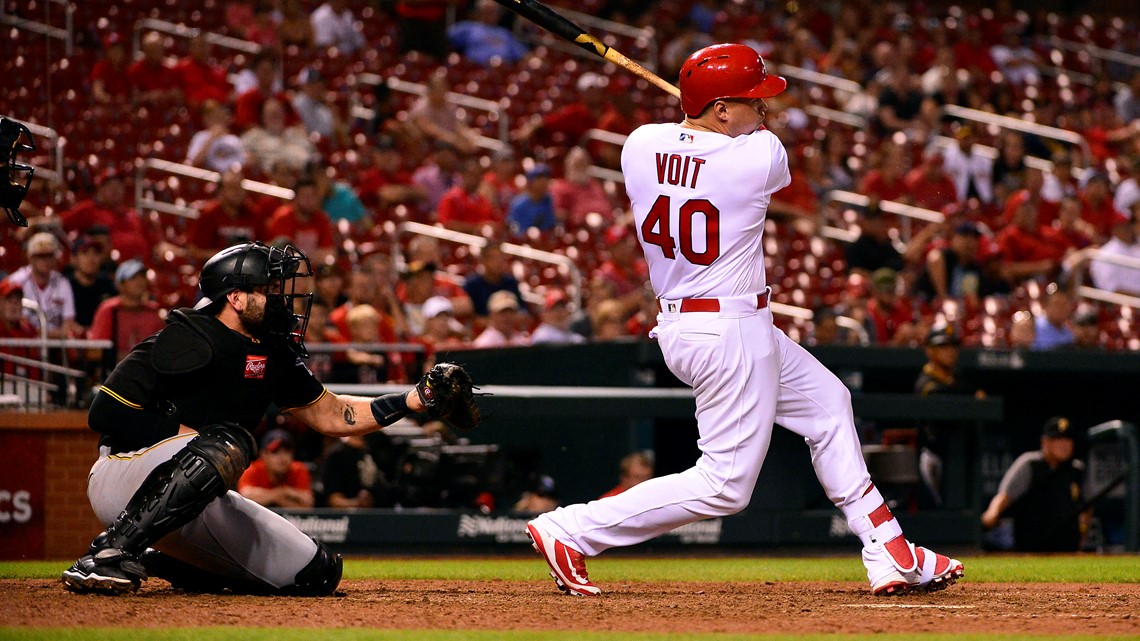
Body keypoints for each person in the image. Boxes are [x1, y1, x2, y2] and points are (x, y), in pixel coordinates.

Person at [524, 44, 963, 598]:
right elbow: (742, 145)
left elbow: (681, 137)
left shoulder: (639, 146)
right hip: (728, 331)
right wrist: (714, 121)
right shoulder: (758, 157)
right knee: (726, 487)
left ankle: (889, 551)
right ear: (722, 110)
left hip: (697, 324)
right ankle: (572, 529)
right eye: (754, 102)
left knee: (829, 404)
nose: (766, 112)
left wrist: (705, 114)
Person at [60, 241, 477, 595]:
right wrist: (183, 434)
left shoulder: (272, 352)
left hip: (197, 494)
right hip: (125, 477)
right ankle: (106, 553)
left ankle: (168, 559)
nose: (281, 298)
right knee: (228, 441)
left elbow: (333, 415)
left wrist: (413, 399)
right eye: (270, 289)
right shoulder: (186, 335)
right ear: (236, 297)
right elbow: (104, 412)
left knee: (317, 573)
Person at [981, 417, 1087, 551]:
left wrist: (1082, 536)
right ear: (1045, 441)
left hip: (1067, 545)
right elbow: (1005, 496)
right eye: (1058, 440)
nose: (1064, 445)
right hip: (1032, 545)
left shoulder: (1077, 469)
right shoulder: (1030, 464)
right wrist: (992, 513)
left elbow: (1086, 507)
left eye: (1068, 440)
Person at [913, 322, 984, 507]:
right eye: (943, 346)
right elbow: (939, 392)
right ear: (930, 351)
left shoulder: (958, 377)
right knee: (938, 508)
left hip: (961, 455)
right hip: (934, 455)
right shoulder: (926, 381)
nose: (950, 351)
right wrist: (971, 395)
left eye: (953, 346)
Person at [87, 260, 166, 363]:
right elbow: (94, 351)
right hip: (116, 371)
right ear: (121, 284)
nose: (140, 281)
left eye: (142, 276)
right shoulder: (109, 310)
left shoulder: (153, 311)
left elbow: (163, 348)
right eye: (133, 278)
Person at [7, 232, 83, 338]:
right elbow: (10, 320)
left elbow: (68, 321)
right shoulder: (16, 281)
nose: (46, 261)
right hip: (25, 340)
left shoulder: (62, 283)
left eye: (50, 256)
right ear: (30, 258)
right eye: (41, 256)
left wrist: (56, 335)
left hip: (57, 344)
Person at [237, 428, 314, 508]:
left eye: (287, 451)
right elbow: (244, 496)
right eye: (275, 452)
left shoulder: (299, 469)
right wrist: (278, 495)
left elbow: (308, 503)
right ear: (264, 455)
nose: (282, 458)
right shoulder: (253, 468)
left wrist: (283, 492)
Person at [506, 163, 558, 238]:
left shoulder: (548, 200)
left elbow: (550, 227)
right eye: (539, 178)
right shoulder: (519, 204)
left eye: (546, 178)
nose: (544, 182)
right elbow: (515, 231)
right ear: (530, 182)